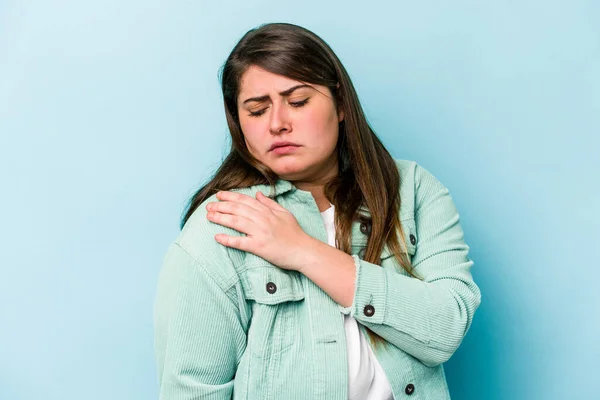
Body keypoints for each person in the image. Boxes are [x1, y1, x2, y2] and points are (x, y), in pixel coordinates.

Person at [153, 22, 481, 400]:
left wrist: (303, 251)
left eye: (298, 102)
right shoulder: (221, 225)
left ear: (340, 104)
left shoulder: (414, 191)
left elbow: (447, 327)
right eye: (257, 111)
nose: (277, 124)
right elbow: (191, 392)